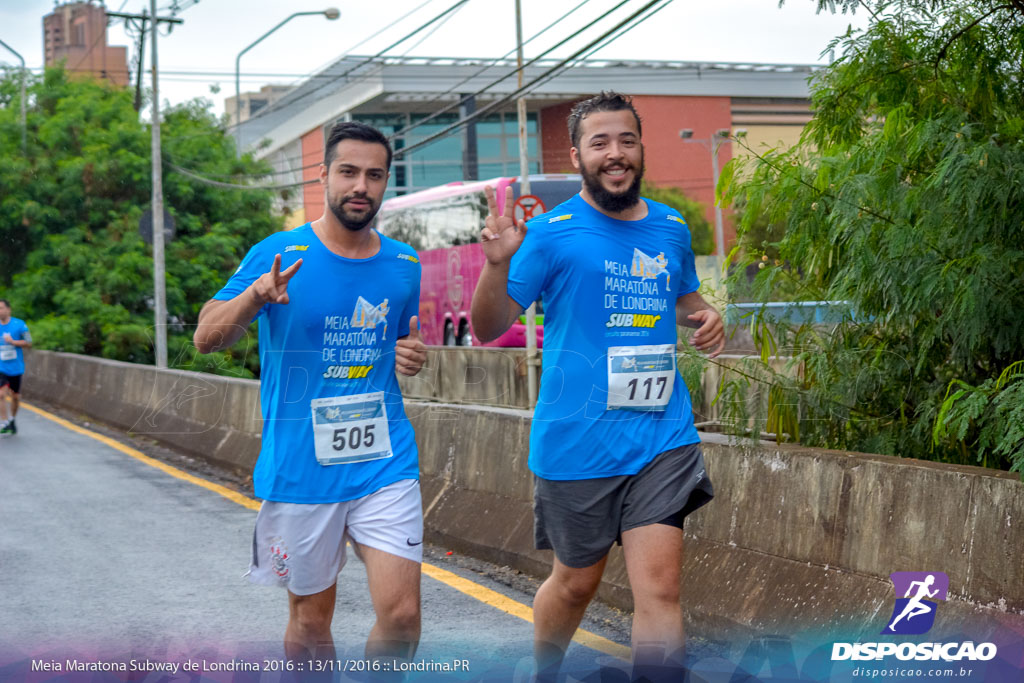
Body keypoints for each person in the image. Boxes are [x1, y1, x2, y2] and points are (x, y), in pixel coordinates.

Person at [470, 91, 725, 679]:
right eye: (600, 143)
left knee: (659, 590)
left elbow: (685, 298)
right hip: (576, 441)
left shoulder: (670, 227)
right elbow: (488, 328)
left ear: (640, 149)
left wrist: (707, 316)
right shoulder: (550, 234)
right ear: (578, 154)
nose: (616, 154)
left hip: (662, 434)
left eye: (626, 141)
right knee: (575, 583)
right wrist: (495, 263)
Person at [194, 121, 428, 665]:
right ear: (323, 175)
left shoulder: (404, 263)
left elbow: (399, 343)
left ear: (386, 182)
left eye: (374, 175)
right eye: (348, 172)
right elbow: (207, 337)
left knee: (402, 617)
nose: (360, 187)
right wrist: (256, 295)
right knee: (309, 623)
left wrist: (410, 356)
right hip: (302, 466)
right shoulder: (279, 252)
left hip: (383, 460)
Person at [0, 299, 33, 436]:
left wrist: (13, 342)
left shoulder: (20, 324)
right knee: (1, 394)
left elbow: (29, 342)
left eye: (1, 308)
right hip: (1, 368)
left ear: (9, 309)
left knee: (16, 397)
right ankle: (5, 422)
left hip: (15, 367)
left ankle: (12, 420)